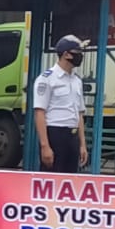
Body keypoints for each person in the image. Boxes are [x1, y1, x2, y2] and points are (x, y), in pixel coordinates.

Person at [32, 36, 88, 173]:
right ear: (66, 54)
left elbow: (79, 114)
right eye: (77, 52)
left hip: (72, 136)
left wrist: (82, 145)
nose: (80, 56)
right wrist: (45, 145)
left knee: (69, 182)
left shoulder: (77, 81)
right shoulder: (47, 79)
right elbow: (40, 112)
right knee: (51, 182)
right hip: (55, 134)